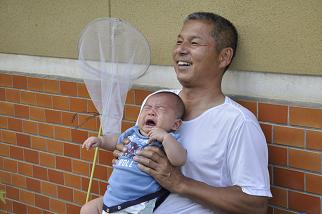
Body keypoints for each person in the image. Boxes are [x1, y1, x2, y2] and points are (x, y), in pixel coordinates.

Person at [113, 12, 272, 214]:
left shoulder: (238, 122)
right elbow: (136, 151)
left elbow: (255, 205)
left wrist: (179, 182)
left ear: (224, 57)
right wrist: (127, 154)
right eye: (179, 42)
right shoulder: (156, 102)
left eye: (194, 43)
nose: (180, 49)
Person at [80, 91, 186, 214]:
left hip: (137, 202)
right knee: (88, 209)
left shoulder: (168, 139)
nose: (151, 111)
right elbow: (116, 140)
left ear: (175, 124)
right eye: (147, 108)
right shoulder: (132, 132)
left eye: (160, 109)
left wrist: (165, 138)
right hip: (113, 197)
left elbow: (179, 159)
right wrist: (101, 140)